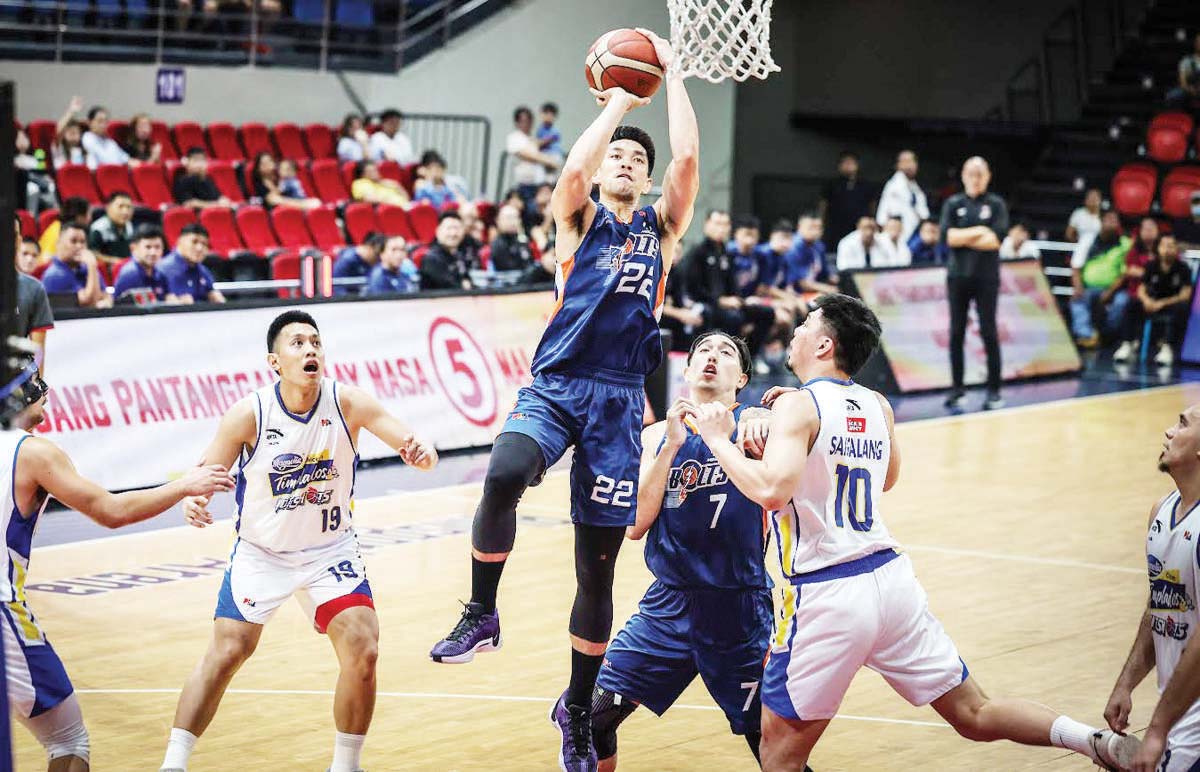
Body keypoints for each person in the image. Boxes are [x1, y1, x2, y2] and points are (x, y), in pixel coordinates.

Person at [685, 293, 1141, 772]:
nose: (795, 332)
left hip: (827, 593)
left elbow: (772, 492)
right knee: (974, 713)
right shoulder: (877, 404)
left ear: (823, 345)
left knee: (779, 755)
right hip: (893, 583)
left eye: (804, 326)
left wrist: (720, 439)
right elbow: (886, 477)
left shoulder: (799, 407)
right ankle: (1094, 741)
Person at [427, 27, 700, 770]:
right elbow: (575, 168)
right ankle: (482, 611)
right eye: (620, 154)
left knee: (597, 571)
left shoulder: (660, 226)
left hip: (618, 402)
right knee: (503, 473)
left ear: (645, 182)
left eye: (636, 161)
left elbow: (686, 161)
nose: (625, 161)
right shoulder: (578, 219)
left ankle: (578, 709)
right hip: (554, 386)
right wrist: (615, 102)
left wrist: (668, 76)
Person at [158, 311, 438, 772]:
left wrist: (422, 454)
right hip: (262, 552)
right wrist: (193, 501)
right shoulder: (249, 414)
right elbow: (203, 475)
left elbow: (412, 444)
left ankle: (346, 765)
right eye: (297, 344)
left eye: (315, 342)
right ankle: (174, 761)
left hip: (329, 551)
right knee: (229, 650)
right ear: (275, 361)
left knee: (363, 646)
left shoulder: (348, 403)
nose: (310, 350)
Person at [2, 359, 233, 772]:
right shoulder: (33, 452)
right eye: (35, 380)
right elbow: (112, 511)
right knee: (67, 741)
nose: (45, 387)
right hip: (4, 614)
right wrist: (184, 484)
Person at [591, 332, 790, 771]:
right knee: (591, 715)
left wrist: (773, 408)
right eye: (704, 350)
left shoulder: (760, 428)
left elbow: (803, 436)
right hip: (668, 605)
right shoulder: (654, 436)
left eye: (726, 353)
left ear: (742, 379)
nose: (712, 357)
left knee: (771, 746)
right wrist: (672, 446)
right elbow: (636, 525)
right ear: (686, 368)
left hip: (737, 607)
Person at [1104, 402, 1200, 771]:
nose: (1169, 432)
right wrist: (1126, 683)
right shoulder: (1161, 510)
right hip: (1179, 708)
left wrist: (1157, 728)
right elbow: (1160, 605)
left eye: (1181, 424)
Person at [939, 156, 1009, 411]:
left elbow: (995, 240)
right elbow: (949, 237)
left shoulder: (997, 204)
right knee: (956, 332)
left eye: (980, 173)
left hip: (986, 278)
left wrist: (965, 235)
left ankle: (994, 391)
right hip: (957, 277)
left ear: (988, 176)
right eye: (971, 173)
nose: (976, 178)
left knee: (989, 331)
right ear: (963, 175)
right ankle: (957, 389)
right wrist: (980, 231)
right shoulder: (953, 203)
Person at [681, 210, 776, 356]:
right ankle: (730, 357)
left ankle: (750, 357)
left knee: (767, 313)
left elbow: (733, 285)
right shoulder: (697, 253)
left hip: (729, 304)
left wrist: (741, 300)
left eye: (725, 224)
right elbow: (694, 288)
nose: (721, 228)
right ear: (707, 225)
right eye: (717, 223)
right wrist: (720, 300)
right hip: (708, 305)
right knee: (734, 318)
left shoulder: (726, 253)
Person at [1114, 234, 1193, 367]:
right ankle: (1127, 344)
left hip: (1170, 305)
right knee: (1131, 303)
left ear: (1176, 249)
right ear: (1158, 248)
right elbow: (1141, 289)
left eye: (1170, 246)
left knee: (1182, 308)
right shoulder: (1151, 265)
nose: (1167, 250)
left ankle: (1167, 348)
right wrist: (1146, 301)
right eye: (1163, 246)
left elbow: (1185, 295)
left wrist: (1162, 303)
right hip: (1151, 304)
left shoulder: (1183, 268)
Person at [1069, 210, 1131, 349]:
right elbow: (1076, 266)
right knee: (1077, 300)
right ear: (1101, 222)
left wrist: (1110, 291)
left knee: (1122, 302)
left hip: (1115, 289)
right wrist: (1078, 287)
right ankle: (1087, 336)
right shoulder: (1088, 240)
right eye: (1108, 219)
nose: (1112, 223)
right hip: (1089, 287)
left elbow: (1124, 274)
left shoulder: (1125, 244)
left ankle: (1106, 335)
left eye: (1115, 220)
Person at [11, 217, 54, 375]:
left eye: (12, 234)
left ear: (18, 240)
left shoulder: (33, 288)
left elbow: (38, 351)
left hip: (12, 385)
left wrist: (38, 384)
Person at [40, 223, 110, 308]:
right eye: (73, 241)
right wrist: (92, 266)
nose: (79, 246)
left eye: (82, 242)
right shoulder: (54, 275)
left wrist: (107, 301)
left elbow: (107, 295)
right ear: (58, 244)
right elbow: (89, 303)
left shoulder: (86, 267)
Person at [158, 224, 225, 304]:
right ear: (180, 241)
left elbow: (214, 295)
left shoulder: (203, 270)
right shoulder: (162, 270)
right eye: (194, 242)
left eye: (204, 244)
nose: (199, 248)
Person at [506, 106, 560, 205]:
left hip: (539, 184)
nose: (527, 124)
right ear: (517, 122)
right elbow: (528, 155)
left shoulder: (533, 138)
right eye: (524, 121)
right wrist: (549, 161)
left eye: (529, 120)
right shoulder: (514, 137)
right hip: (525, 184)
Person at [819, 151, 875, 246]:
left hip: (858, 225)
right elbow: (823, 204)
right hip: (836, 225)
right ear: (839, 166)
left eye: (851, 163)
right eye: (845, 163)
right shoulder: (832, 184)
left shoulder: (865, 185)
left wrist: (871, 220)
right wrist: (822, 221)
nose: (848, 166)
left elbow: (872, 205)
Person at [875, 149, 928, 242]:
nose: (910, 165)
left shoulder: (915, 187)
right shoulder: (893, 186)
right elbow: (882, 217)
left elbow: (924, 214)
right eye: (906, 162)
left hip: (915, 235)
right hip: (897, 236)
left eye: (913, 161)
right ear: (898, 165)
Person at [113, 226, 176, 303]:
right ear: (134, 248)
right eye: (148, 247)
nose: (153, 252)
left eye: (157, 247)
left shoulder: (161, 274)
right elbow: (118, 307)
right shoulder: (129, 275)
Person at [418, 211, 473, 291]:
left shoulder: (459, 256)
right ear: (438, 231)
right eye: (449, 228)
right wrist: (464, 285)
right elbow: (453, 288)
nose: (453, 233)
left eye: (457, 228)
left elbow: (469, 282)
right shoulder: (431, 259)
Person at [249, 152, 321, 211]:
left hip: (293, 202)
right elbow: (268, 200)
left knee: (316, 201)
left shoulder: (282, 175)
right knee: (273, 198)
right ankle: (303, 206)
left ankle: (303, 206)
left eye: (269, 161)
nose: (267, 165)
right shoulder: (259, 183)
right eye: (263, 163)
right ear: (258, 168)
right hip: (277, 208)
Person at [788, 215, 838, 294]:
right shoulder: (792, 247)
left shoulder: (819, 246)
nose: (816, 232)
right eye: (811, 227)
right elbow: (802, 284)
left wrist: (843, 281)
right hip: (795, 292)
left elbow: (825, 274)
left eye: (819, 228)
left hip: (815, 289)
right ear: (799, 227)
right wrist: (827, 289)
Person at [87, 190, 135, 262]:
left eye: (129, 207)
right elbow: (92, 254)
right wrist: (115, 261)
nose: (125, 211)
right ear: (108, 208)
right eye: (120, 207)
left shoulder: (129, 226)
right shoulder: (98, 228)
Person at [1166, 32, 1200, 108]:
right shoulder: (1186, 61)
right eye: (1198, 42)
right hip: (1190, 89)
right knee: (1171, 96)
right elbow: (1183, 82)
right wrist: (1191, 90)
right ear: (1195, 44)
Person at [538, 102, 565, 168]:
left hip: (554, 155)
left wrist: (538, 143)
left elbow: (545, 141)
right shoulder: (540, 129)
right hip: (544, 156)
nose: (548, 117)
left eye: (551, 115)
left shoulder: (555, 131)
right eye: (546, 114)